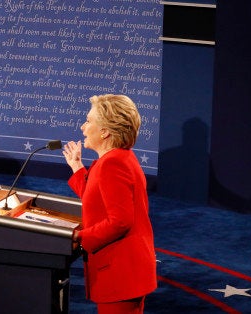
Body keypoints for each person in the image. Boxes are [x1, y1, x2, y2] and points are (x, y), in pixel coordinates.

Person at [62, 94, 157, 313]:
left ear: (105, 131)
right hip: (125, 270)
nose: (83, 127)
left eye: (89, 121)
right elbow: (99, 198)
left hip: (121, 272)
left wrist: (79, 237)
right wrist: (77, 167)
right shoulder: (117, 158)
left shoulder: (112, 164)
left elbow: (120, 221)